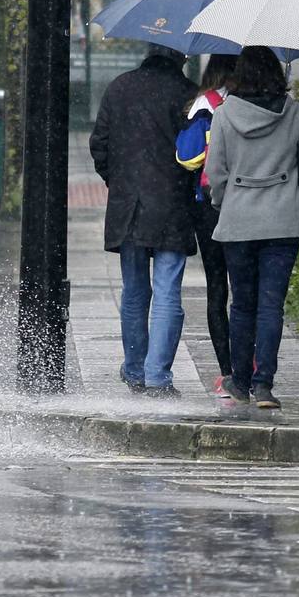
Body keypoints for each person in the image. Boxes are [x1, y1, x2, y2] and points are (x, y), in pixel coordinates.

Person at [204, 45, 299, 410]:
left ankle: (240, 382)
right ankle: (264, 386)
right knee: (271, 306)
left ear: (239, 73)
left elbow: (215, 172)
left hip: (239, 221)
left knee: (242, 305)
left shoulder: (224, 114)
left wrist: (224, 202)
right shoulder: (294, 112)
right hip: (283, 221)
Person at [90, 43, 198, 397]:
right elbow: (196, 152)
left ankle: (135, 369)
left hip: (128, 205)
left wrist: (117, 180)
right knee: (168, 292)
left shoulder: (119, 87)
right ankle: (158, 377)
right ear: (180, 56)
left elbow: (99, 144)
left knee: (135, 291)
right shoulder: (187, 94)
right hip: (171, 205)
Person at [174, 54, 239, 398]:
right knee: (247, 288)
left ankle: (226, 372)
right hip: (244, 204)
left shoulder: (204, 104)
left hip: (209, 207)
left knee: (218, 287)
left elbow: (187, 157)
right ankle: (252, 366)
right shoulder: (250, 102)